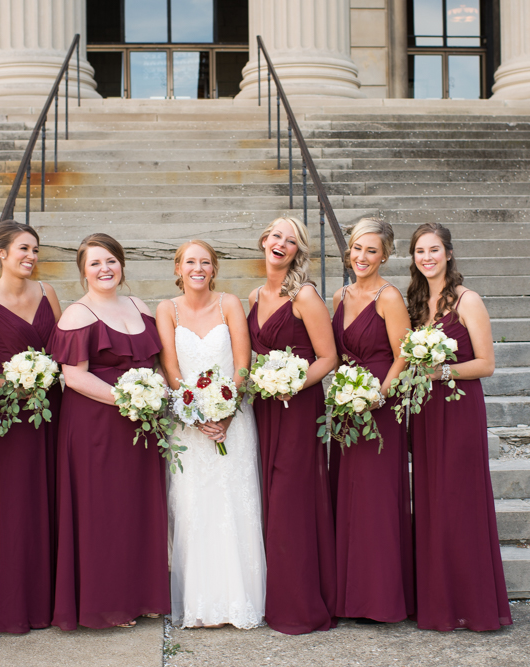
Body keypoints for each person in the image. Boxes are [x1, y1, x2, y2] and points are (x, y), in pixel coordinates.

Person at [49, 233, 170, 630]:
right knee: (104, 511)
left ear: (122, 264)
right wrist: (129, 399)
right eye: (96, 263)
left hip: (139, 425)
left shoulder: (138, 305)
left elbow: (153, 363)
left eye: (111, 261)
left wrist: (151, 393)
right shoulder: (77, 315)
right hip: (95, 426)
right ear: (84, 271)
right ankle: (107, 602)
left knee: (137, 506)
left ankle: (143, 593)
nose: (105, 269)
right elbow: (75, 378)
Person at [407, 222, 512, 632]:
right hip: (426, 412)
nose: (427, 257)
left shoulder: (468, 300)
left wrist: (440, 370)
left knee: (460, 503)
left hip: (459, 407)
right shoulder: (417, 303)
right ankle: (439, 603)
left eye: (434, 250)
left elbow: (486, 363)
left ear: (449, 254)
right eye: (420, 251)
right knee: (433, 503)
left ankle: (474, 605)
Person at [157, 240, 266, 630]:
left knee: (234, 504)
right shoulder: (166, 309)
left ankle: (239, 601)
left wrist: (226, 413)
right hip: (189, 426)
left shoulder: (230, 304)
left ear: (214, 268)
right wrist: (194, 409)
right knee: (193, 508)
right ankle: (200, 603)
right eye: (190, 262)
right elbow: (170, 367)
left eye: (205, 262)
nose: (198, 268)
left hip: (232, 422)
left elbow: (242, 362)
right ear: (178, 267)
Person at [0, 221, 62, 633]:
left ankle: (58, 601)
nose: (31, 257)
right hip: (13, 412)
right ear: (1, 253)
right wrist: (12, 385)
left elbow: (62, 347)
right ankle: (22, 606)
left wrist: (47, 377)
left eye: (36, 250)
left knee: (56, 497)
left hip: (52, 408)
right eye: (24, 249)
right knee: (20, 504)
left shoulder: (48, 293)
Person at [247, 216, 339, 635]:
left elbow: (327, 357)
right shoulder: (253, 296)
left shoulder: (304, 296)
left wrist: (292, 383)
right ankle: (272, 596)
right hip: (265, 410)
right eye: (276, 235)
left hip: (298, 408)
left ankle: (298, 605)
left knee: (291, 502)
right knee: (269, 498)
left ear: (298, 251)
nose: (281, 242)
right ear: (265, 242)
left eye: (292, 239)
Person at [329, 218, 414, 624]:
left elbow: (404, 355)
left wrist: (377, 394)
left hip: (380, 409)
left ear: (385, 255)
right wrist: (347, 392)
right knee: (349, 499)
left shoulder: (389, 297)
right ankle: (350, 598)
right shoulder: (338, 295)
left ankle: (379, 600)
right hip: (347, 407)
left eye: (371, 251)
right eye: (357, 249)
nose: (362, 257)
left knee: (377, 501)